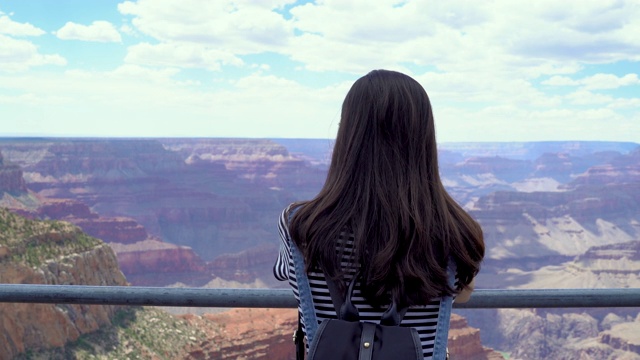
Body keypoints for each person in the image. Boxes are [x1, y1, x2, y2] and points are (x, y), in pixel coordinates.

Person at [274, 69, 485, 359]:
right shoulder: (456, 231)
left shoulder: (299, 224)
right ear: (423, 137)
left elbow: (290, 275)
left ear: (348, 133)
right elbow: (461, 293)